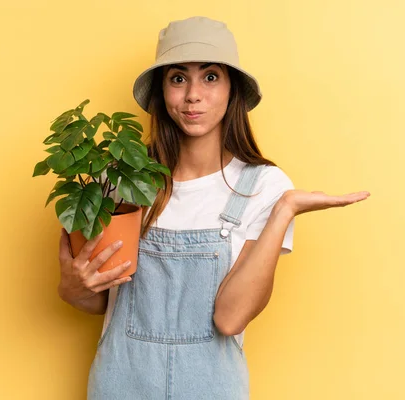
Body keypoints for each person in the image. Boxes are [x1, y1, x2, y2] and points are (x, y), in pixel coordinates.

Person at [57, 16, 370, 400]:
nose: (193, 95)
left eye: (210, 77)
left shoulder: (265, 187)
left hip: (211, 388)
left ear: (231, 90)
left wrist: (285, 210)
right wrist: (73, 288)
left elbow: (230, 318)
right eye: (177, 78)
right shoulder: (121, 178)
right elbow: (98, 299)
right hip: (122, 382)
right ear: (162, 91)